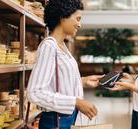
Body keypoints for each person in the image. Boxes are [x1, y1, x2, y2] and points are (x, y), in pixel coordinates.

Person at [27, 0, 102, 128]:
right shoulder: (49, 46)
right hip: (56, 121)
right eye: (77, 19)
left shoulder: (62, 46)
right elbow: (35, 93)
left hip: (66, 119)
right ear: (63, 17)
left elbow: (58, 80)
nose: (79, 25)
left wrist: (82, 81)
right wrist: (76, 102)